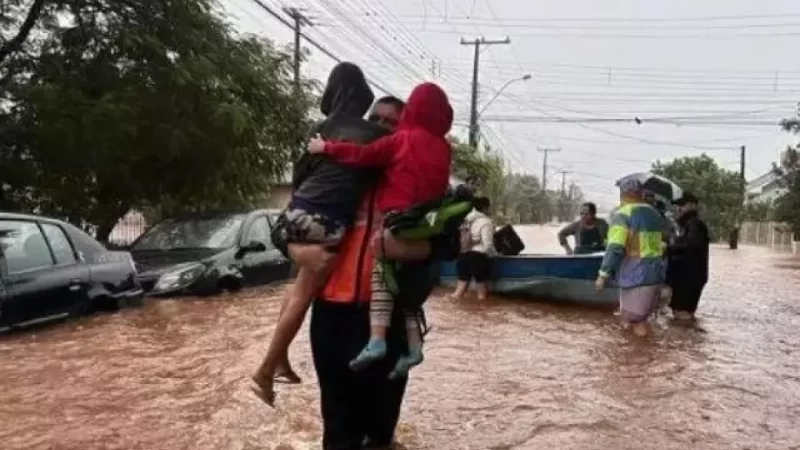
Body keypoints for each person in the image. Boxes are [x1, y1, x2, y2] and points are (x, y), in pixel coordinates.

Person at [251, 62, 396, 405]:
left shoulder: (320, 130)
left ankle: (280, 358)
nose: (381, 124)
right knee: (302, 294)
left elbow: (302, 177)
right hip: (327, 223)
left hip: (295, 212)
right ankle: (265, 369)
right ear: (363, 98)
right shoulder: (377, 139)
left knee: (296, 285)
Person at [308, 82, 453, 378]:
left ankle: (395, 345)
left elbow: (451, 246)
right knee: (336, 421)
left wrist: (422, 250)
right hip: (334, 311)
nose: (381, 126)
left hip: (394, 315)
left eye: (391, 121)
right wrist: (302, 252)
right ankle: (405, 348)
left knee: (382, 424)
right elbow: (289, 229)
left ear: (406, 120)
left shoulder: (400, 149)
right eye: (375, 119)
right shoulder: (334, 176)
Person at [595, 178, 666, 337]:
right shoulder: (654, 213)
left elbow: (615, 248)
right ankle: (638, 356)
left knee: (636, 321)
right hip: (655, 273)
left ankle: (642, 358)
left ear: (623, 193)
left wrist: (603, 274)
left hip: (635, 275)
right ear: (640, 192)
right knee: (633, 319)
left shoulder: (623, 214)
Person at [666, 192, 710, 321]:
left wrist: (668, 248)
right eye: (677, 206)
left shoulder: (694, 225)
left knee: (682, 314)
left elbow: (692, 247)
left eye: (681, 205)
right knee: (682, 314)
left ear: (692, 206)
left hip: (689, 278)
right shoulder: (687, 225)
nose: (678, 209)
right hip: (687, 277)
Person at [451, 196, 495, 301]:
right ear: (485, 207)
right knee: (482, 295)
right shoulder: (485, 221)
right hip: (478, 257)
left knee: (458, 291)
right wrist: (493, 255)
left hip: (463, 255)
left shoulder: (466, 219)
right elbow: (487, 244)